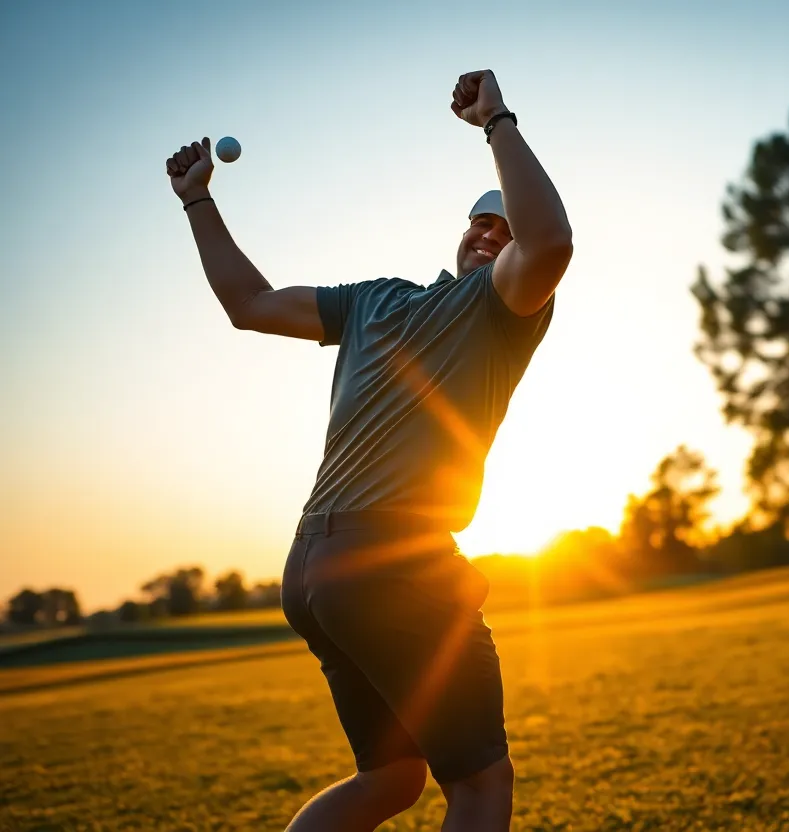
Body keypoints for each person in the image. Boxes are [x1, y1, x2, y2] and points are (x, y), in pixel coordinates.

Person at [164, 70, 573, 831]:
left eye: (504, 227)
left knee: (391, 778)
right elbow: (249, 305)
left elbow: (550, 239)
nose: (492, 233)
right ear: (459, 235)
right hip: (381, 562)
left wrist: (499, 127)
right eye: (479, 223)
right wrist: (198, 201)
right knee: (481, 786)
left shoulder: (504, 308)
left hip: (316, 574)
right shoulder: (375, 298)